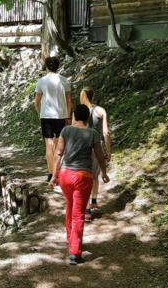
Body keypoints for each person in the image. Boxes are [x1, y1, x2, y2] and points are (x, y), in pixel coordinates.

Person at [50, 104, 109, 265]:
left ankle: (71, 239)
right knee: (78, 214)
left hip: (65, 176)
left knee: (70, 205)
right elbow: (100, 156)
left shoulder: (66, 130)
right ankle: (75, 252)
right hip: (83, 177)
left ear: (75, 116)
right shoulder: (93, 133)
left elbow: (58, 154)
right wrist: (104, 173)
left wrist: (54, 176)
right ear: (87, 118)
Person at [34, 56, 72, 181]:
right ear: (58, 66)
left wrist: (40, 113)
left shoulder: (41, 81)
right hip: (61, 115)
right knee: (58, 145)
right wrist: (68, 116)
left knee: (49, 144)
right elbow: (69, 101)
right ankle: (58, 172)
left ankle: (51, 173)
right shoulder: (64, 80)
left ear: (47, 67)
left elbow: (36, 102)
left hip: (46, 116)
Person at [81, 87, 111, 220]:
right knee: (95, 176)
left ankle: (86, 209)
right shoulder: (100, 110)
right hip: (97, 147)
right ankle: (94, 203)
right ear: (93, 96)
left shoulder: (80, 112)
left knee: (85, 177)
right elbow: (106, 133)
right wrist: (108, 151)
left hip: (83, 147)